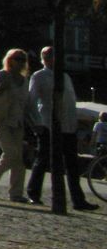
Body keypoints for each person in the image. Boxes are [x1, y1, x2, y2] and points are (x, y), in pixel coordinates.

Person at [26, 45, 98, 210]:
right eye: (48, 56)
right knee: (43, 159)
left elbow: (70, 103)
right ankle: (33, 193)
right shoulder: (39, 76)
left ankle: (78, 200)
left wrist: (74, 126)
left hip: (68, 126)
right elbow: (32, 100)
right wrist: (36, 123)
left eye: (54, 56)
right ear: (44, 59)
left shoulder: (65, 76)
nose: (52, 59)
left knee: (72, 164)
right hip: (48, 124)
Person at [0, 48, 32, 202]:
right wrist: (3, 86)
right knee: (11, 153)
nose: (20, 62)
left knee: (18, 159)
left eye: (23, 59)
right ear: (10, 60)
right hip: (1, 118)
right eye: (17, 58)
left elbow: (25, 103)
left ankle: (16, 193)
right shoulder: (2, 75)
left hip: (17, 121)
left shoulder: (24, 80)